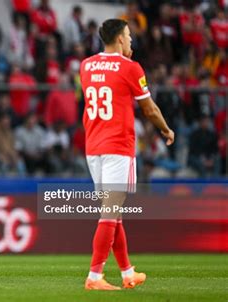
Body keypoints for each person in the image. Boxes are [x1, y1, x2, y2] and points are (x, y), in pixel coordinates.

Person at [80, 19, 174, 290]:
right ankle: (95, 277)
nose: (131, 41)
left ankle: (127, 272)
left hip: (93, 147)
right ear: (120, 38)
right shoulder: (130, 68)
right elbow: (149, 110)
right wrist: (166, 130)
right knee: (110, 214)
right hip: (118, 148)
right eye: (129, 36)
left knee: (115, 214)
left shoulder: (86, 66)